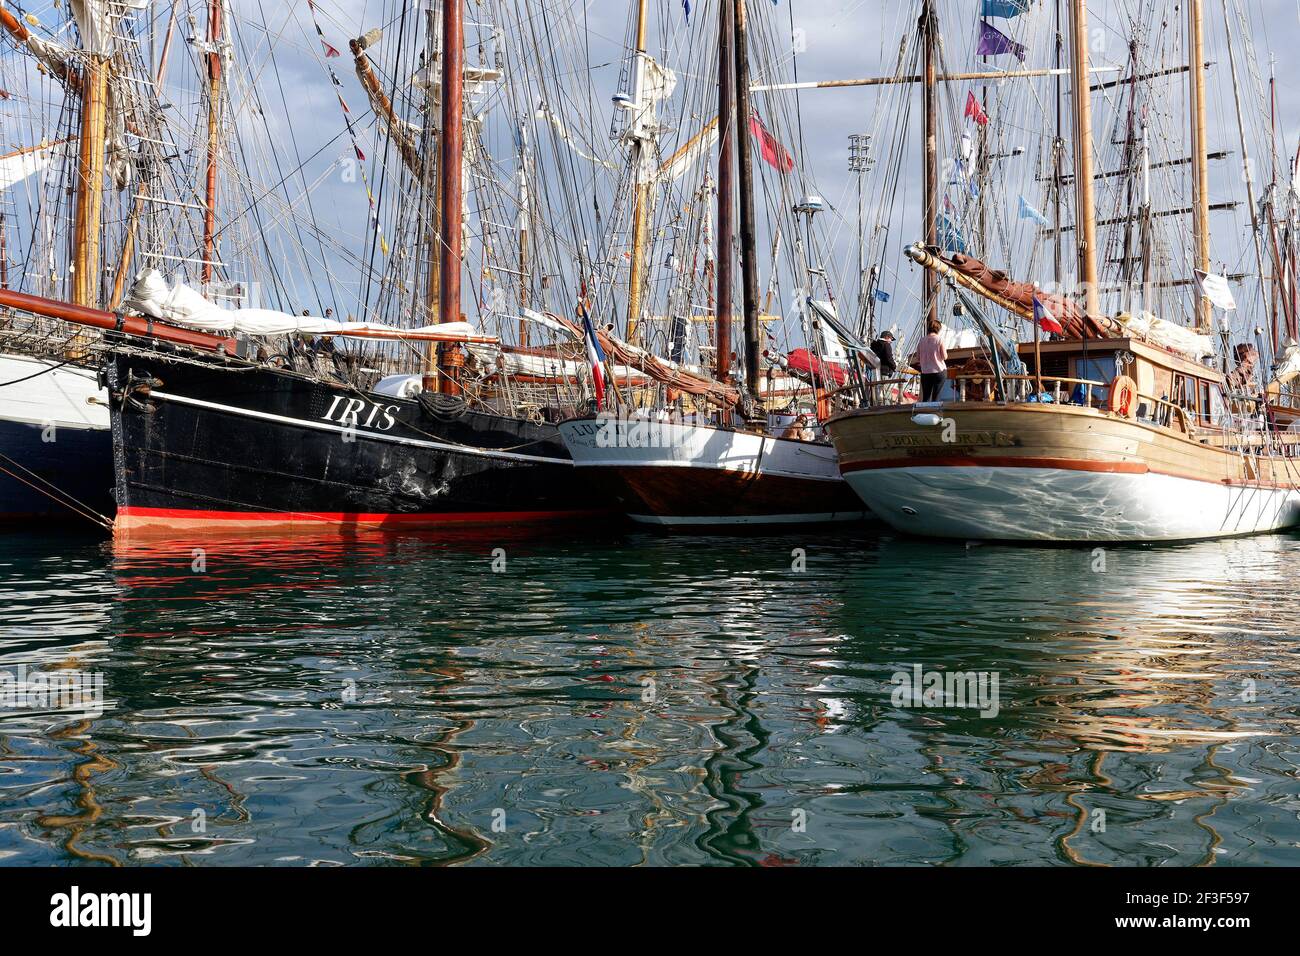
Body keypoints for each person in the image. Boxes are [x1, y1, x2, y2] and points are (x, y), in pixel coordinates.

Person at [917, 318, 947, 403]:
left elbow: (918, 357)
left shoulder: (921, 340)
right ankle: (935, 414)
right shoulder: (939, 339)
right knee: (936, 396)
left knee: (926, 397)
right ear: (938, 329)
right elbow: (944, 356)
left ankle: (925, 414)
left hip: (925, 372)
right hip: (939, 371)